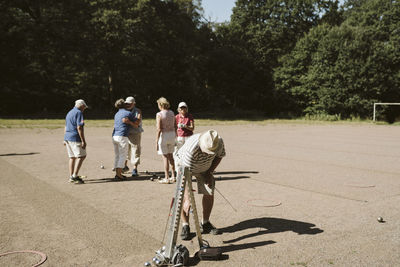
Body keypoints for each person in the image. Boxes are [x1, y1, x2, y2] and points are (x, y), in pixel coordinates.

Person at [176, 130, 225, 240]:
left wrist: (209, 172)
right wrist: (188, 198)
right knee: (183, 198)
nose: (209, 153)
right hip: (184, 167)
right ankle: (185, 226)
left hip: (205, 168)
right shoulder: (191, 148)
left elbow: (219, 156)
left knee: (209, 191)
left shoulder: (218, 142)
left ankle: (205, 223)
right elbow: (185, 174)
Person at [64, 99, 88, 184]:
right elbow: (79, 127)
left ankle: (71, 176)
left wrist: (64, 139)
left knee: (72, 157)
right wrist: (83, 141)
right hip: (75, 138)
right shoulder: (79, 113)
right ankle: (74, 176)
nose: (84, 109)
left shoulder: (69, 112)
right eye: (84, 107)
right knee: (82, 156)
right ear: (81, 106)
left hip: (67, 137)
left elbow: (66, 126)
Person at [112, 99, 138, 180]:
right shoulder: (128, 113)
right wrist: (138, 114)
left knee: (117, 155)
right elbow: (136, 124)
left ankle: (117, 174)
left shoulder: (116, 114)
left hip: (114, 136)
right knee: (123, 156)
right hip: (122, 136)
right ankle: (119, 175)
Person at [156, 97, 177, 184]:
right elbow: (175, 125)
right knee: (171, 156)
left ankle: (166, 177)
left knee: (165, 157)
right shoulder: (172, 113)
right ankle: (173, 176)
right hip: (172, 134)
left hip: (164, 135)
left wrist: (156, 140)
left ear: (160, 105)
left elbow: (159, 129)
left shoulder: (159, 114)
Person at [123, 96, 143, 176]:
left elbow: (137, 124)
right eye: (126, 104)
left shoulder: (138, 111)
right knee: (125, 150)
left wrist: (129, 122)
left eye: (129, 104)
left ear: (133, 103)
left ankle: (135, 169)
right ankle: (124, 166)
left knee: (135, 151)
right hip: (126, 133)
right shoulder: (124, 111)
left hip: (135, 133)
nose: (127, 105)